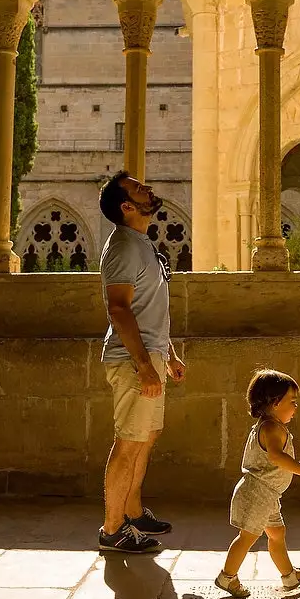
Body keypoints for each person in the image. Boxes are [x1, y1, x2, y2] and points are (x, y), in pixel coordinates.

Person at [98, 170, 185, 553]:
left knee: (145, 438)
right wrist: (144, 365)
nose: (149, 188)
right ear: (127, 206)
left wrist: (167, 354)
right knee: (129, 442)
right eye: (138, 188)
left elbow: (149, 308)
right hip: (133, 360)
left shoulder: (140, 242)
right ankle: (112, 530)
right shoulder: (123, 247)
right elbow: (119, 309)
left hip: (150, 355)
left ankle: (132, 511)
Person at [215, 368, 300, 598]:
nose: (296, 407)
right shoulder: (271, 427)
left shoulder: (270, 425)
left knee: (277, 533)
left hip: (268, 494)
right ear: (276, 402)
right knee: (247, 537)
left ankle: (289, 576)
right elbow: (276, 456)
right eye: (292, 401)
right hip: (257, 493)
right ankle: (227, 577)